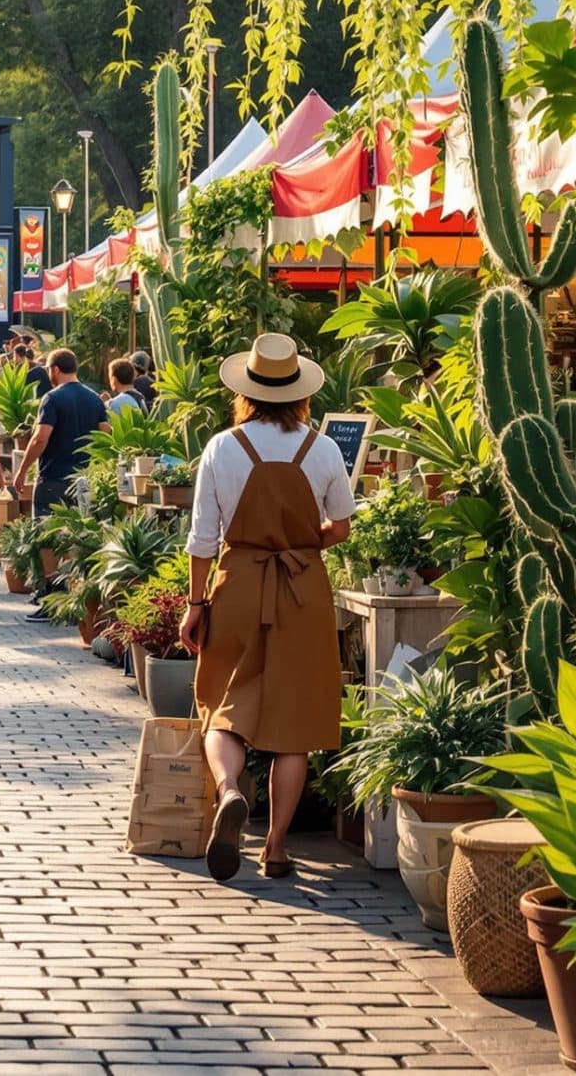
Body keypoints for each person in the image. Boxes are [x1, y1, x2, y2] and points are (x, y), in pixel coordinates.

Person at [178, 333, 355, 881]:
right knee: (293, 724)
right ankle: (276, 848)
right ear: (300, 394)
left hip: (236, 584)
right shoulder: (322, 448)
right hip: (302, 592)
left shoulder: (222, 447)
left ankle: (231, 791)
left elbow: (203, 538)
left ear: (247, 391)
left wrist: (195, 603)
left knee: (222, 703)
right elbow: (343, 526)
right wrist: (302, 544)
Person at [8, 348, 107, 593]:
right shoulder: (94, 398)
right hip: (84, 478)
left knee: (46, 536)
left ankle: (49, 592)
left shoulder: (52, 398)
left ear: (55, 369)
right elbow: (106, 433)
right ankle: (73, 593)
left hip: (53, 477)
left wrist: (22, 471)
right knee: (77, 535)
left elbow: (40, 438)